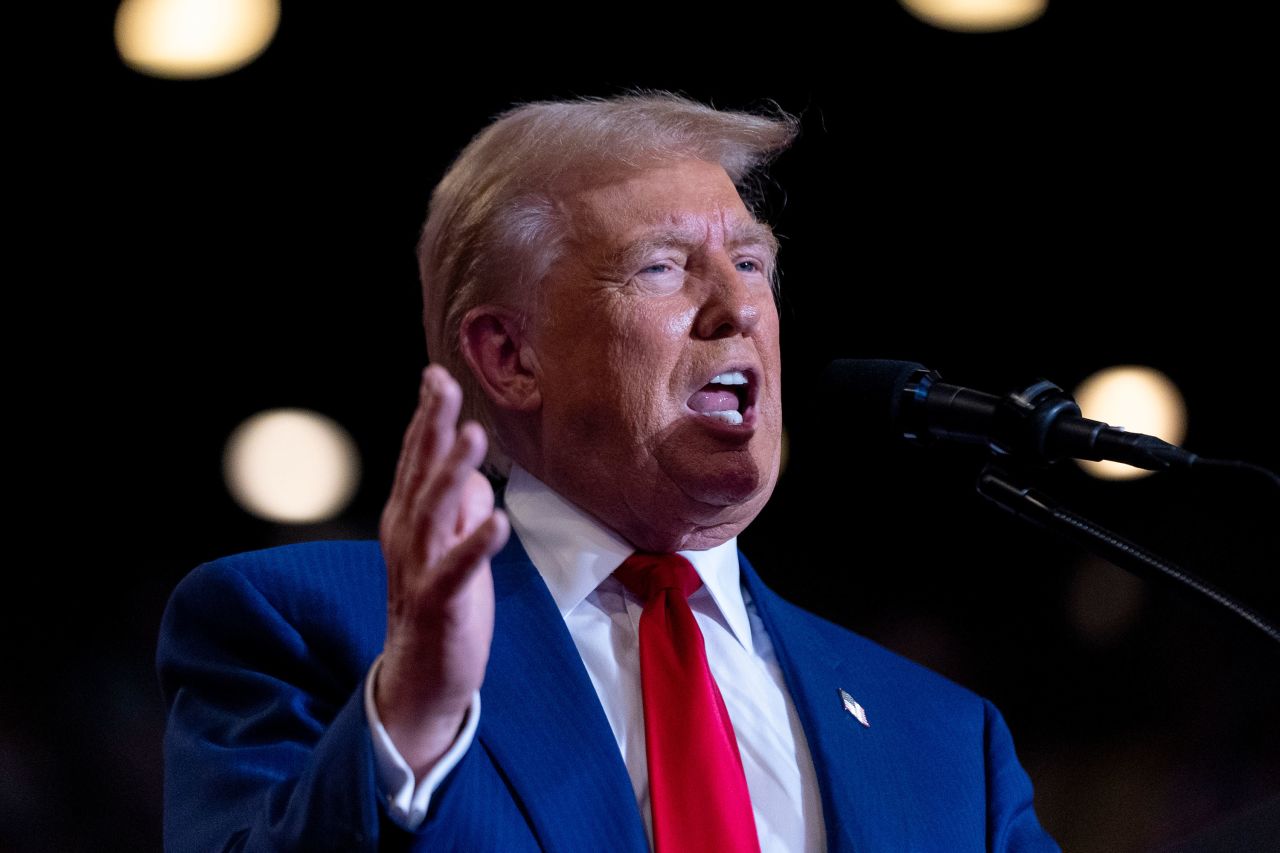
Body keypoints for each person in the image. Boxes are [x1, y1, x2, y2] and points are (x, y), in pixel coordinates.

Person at [158, 93, 1060, 851]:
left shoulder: (945, 742)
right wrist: (410, 719)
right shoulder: (303, 624)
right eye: (663, 267)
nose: (738, 306)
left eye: (751, 263)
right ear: (509, 354)